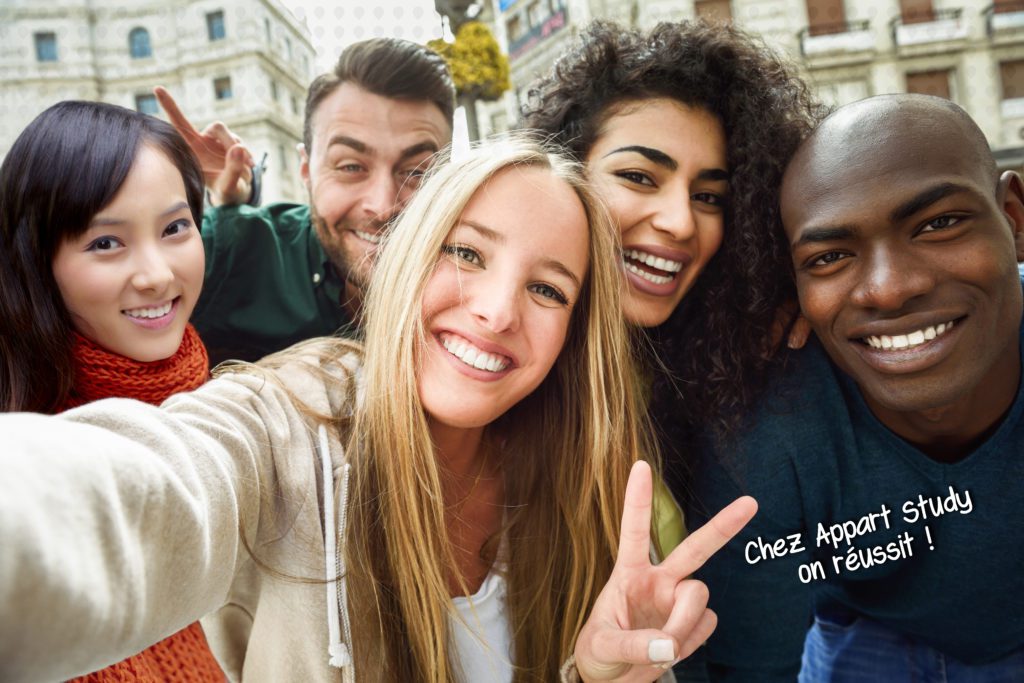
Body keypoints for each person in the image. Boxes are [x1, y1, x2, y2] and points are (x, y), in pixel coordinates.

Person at [0, 135, 756, 683]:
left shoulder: (584, 487)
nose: (495, 311)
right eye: (465, 252)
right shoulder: (285, 420)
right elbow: (146, 490)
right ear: (403, 257)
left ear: (572, 335)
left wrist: (594, 674)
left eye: (548, 288)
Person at [688, 94, 1024, 681]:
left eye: (938, 224)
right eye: (830, 257)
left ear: (1014, 220)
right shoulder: (768, 433)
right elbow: (752, 668)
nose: (890, 289)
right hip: (863, 635)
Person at [521, 20, 821, 498]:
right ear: (564, 171)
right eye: (639, 177)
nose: (681, 222)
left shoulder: (742, 362)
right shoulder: (495, 362)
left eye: (709, 197)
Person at [0, 101, 223, 680]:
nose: (155, 274)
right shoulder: (31, 459)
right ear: (35, 262)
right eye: (106, 243)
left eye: (175, 228)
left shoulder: (225, 405)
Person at [155, 37, 455, 365]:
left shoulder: (476, 283)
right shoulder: (232, 249)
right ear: (306, 170)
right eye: (351, 167)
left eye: (416, 172)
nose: (382, 206)